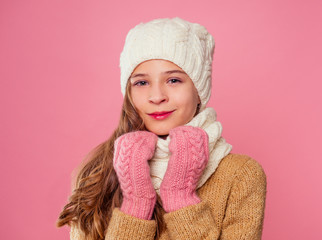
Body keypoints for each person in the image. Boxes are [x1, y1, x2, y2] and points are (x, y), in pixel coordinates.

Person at [57, 17, 267, 240]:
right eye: (141, 83)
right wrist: (136, 203)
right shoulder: (96, 172)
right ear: (129, 92)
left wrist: (180, 199)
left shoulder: (240, 174)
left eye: (174, 80)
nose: (156, 97)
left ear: (199, 91)